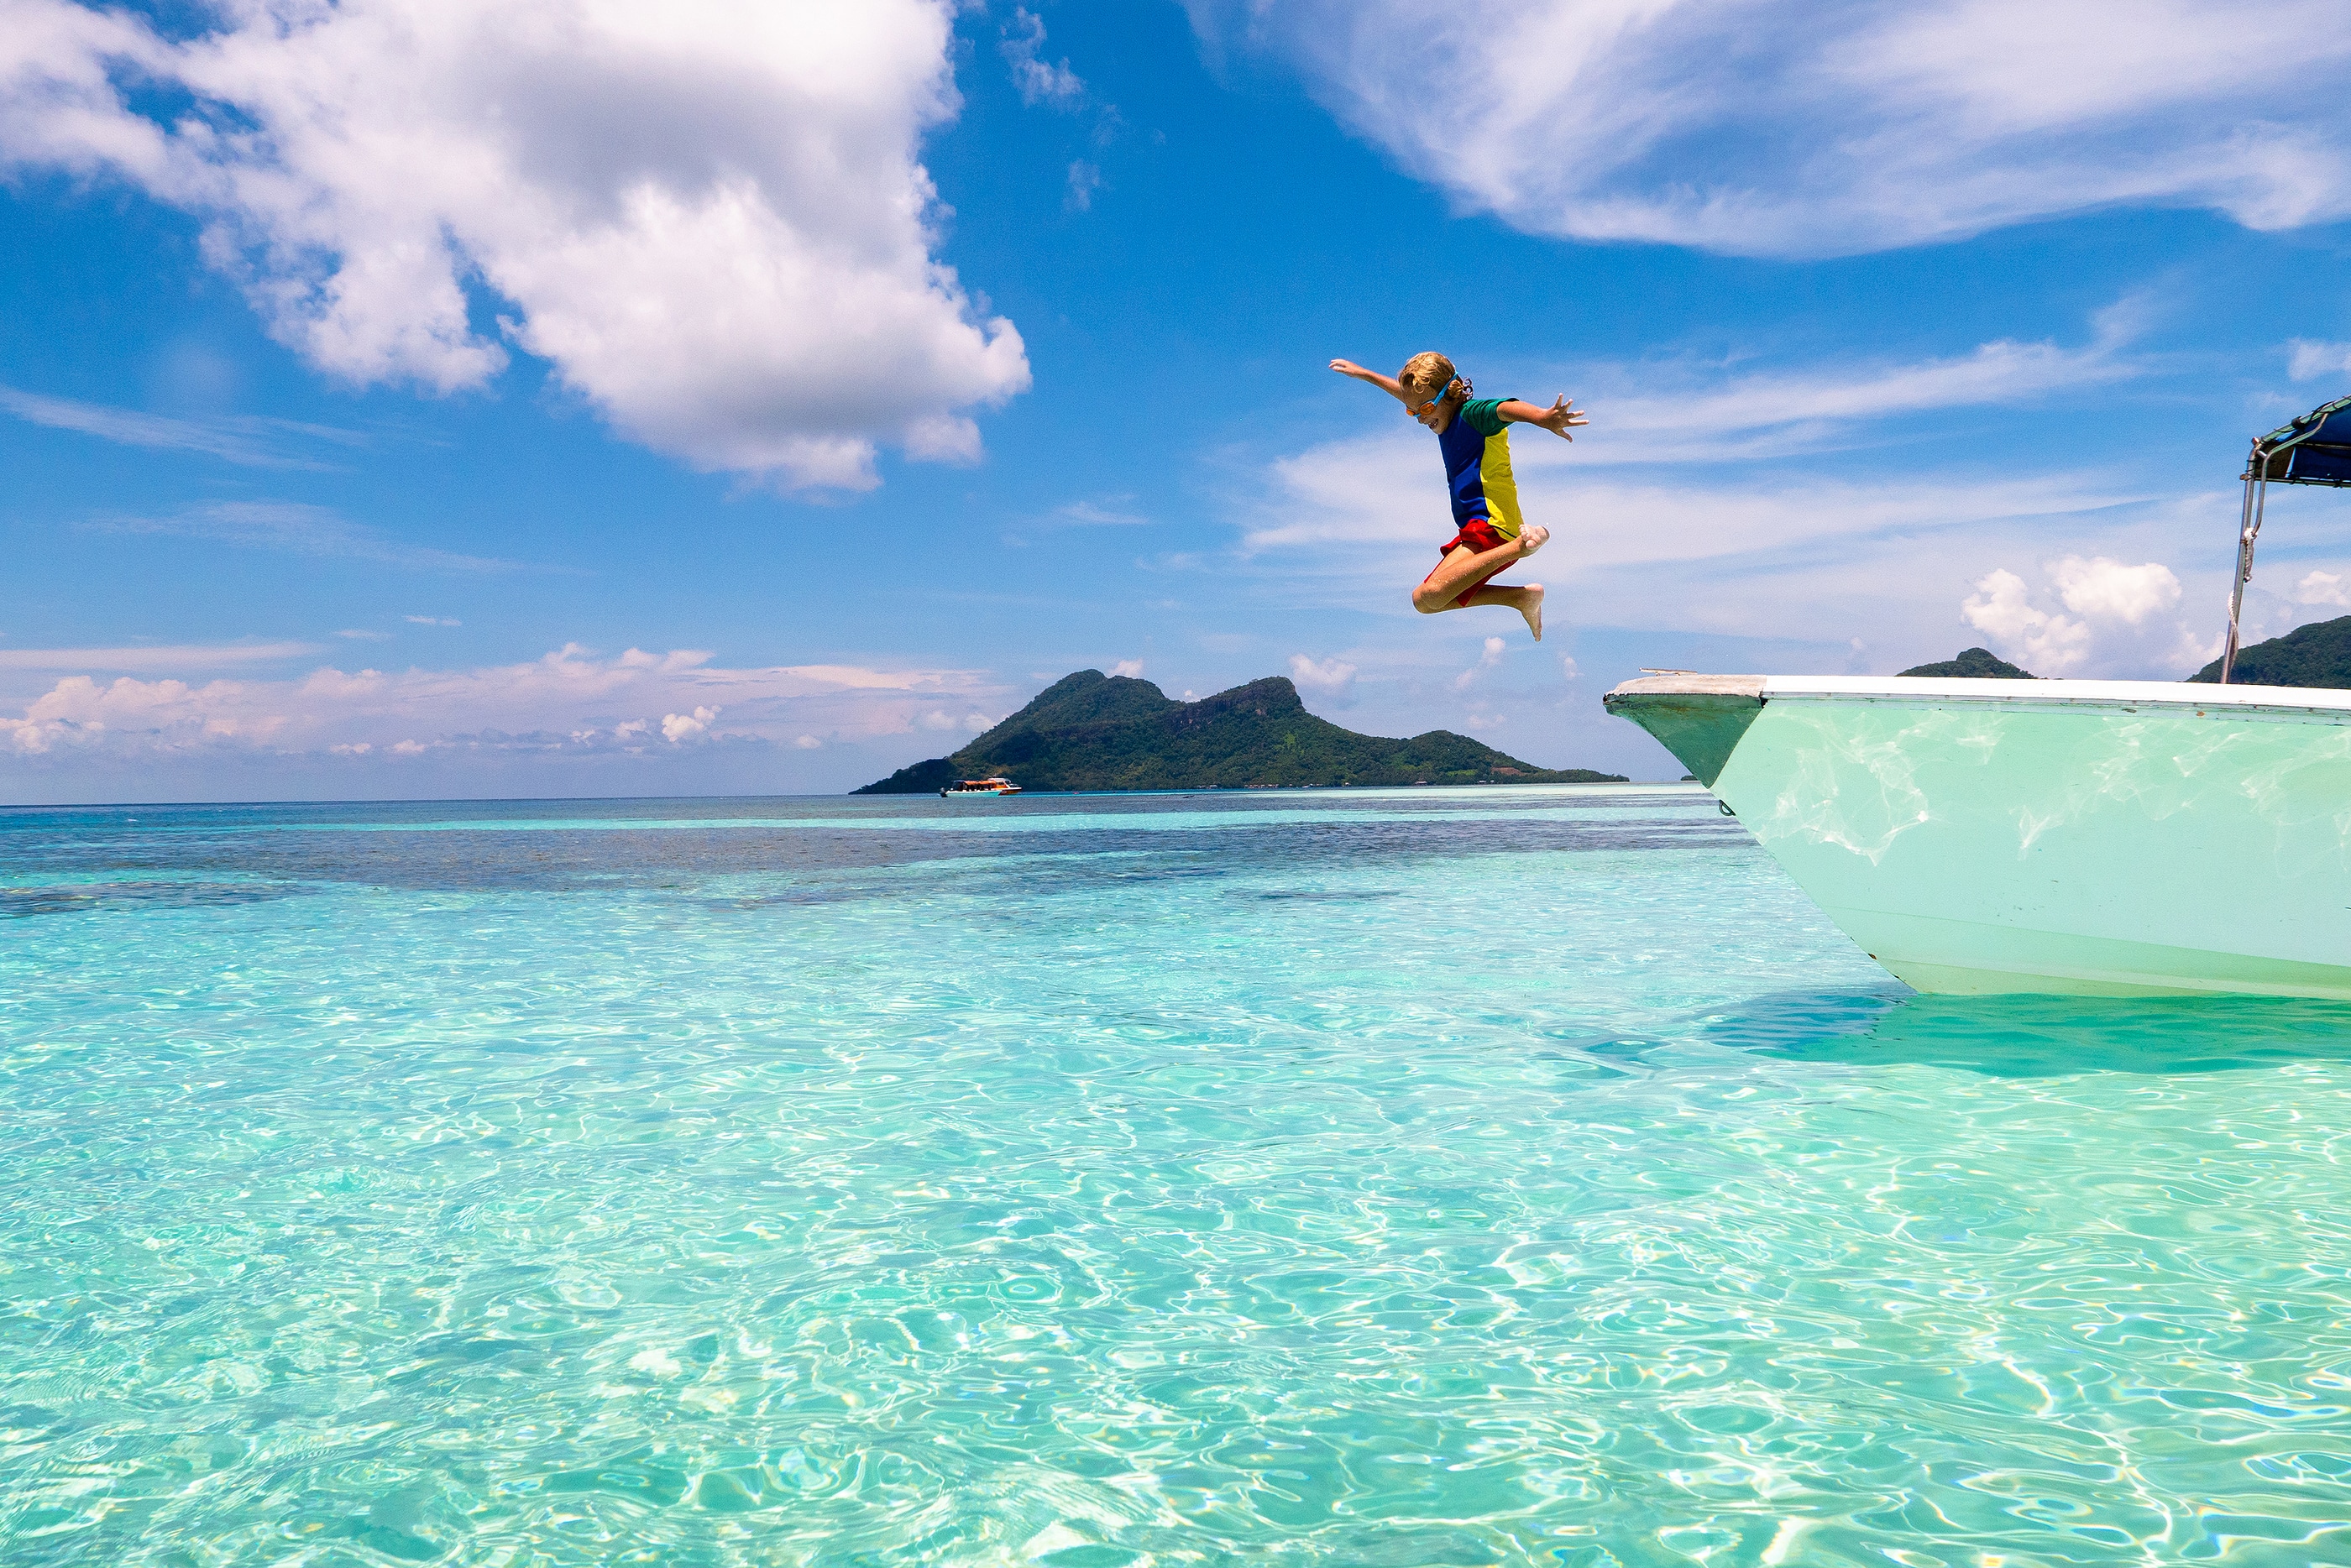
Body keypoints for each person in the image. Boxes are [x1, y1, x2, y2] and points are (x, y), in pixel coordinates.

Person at [1328, 351, 1588, 640]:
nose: (1418, 418)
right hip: (1473, 530)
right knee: (1423, 601)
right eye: (1412, 412)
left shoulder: (1472, 415)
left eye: (1424, 409)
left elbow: (1504, 408)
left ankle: (1524, 546)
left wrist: (1542, 417)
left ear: (1449, 394)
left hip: (1494, 526)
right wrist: (1365, 374)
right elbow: (1408, 397)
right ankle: (1520, 598)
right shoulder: (1441, 416)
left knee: (1434, 593)